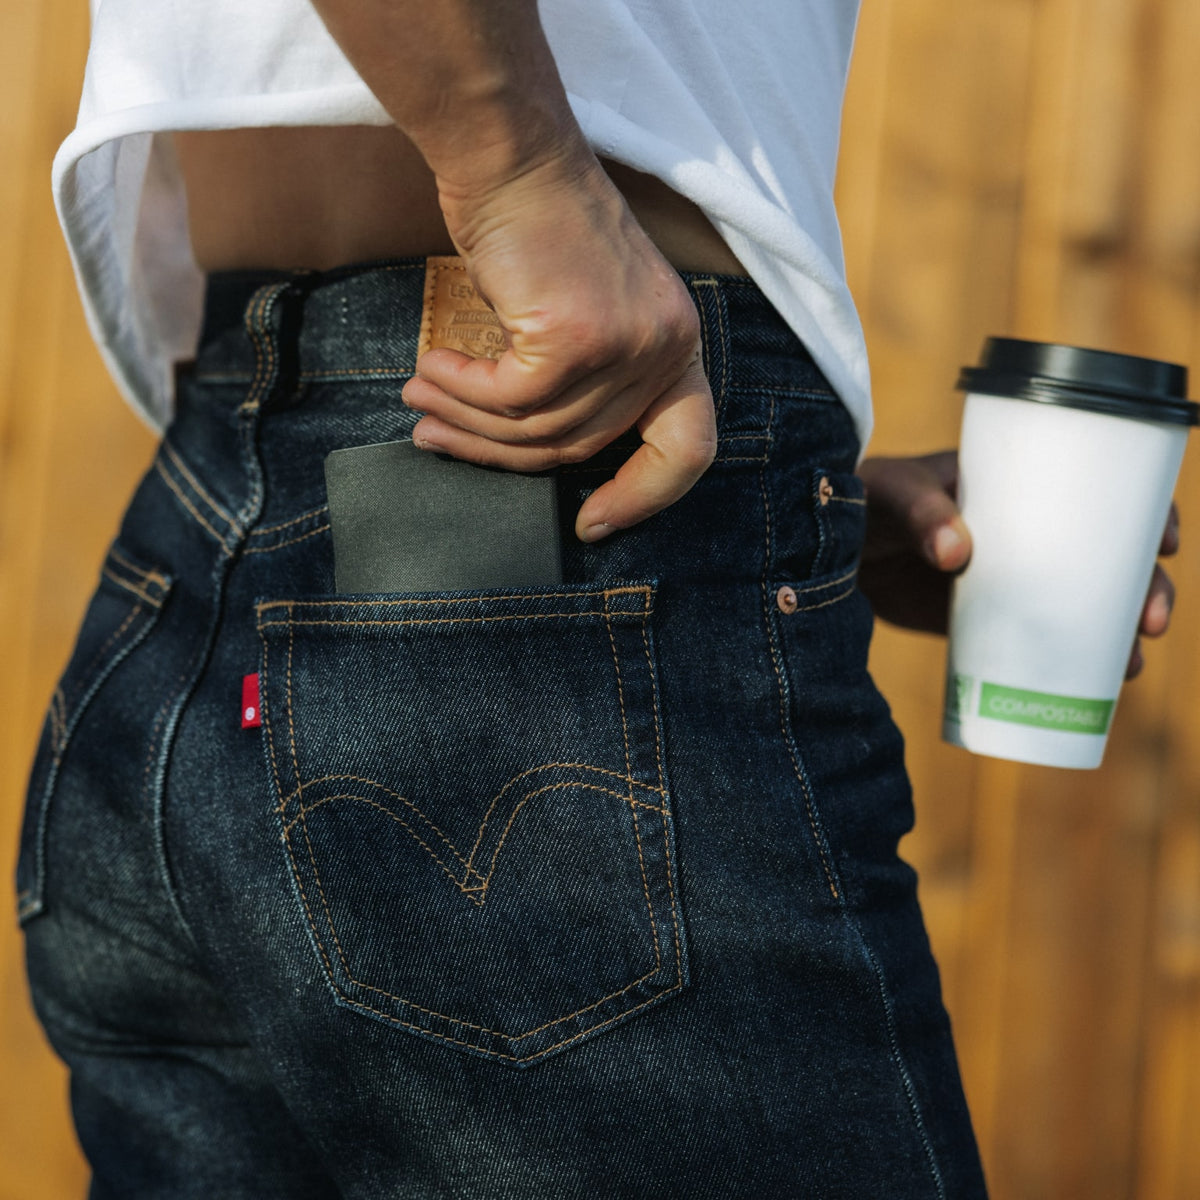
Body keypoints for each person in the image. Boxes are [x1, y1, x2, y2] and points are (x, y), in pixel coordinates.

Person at [18, 1, 1177, 1196]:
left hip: (211, 557)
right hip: (519, 592)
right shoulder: (511, 180)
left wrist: (793, 511)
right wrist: (515, 173)